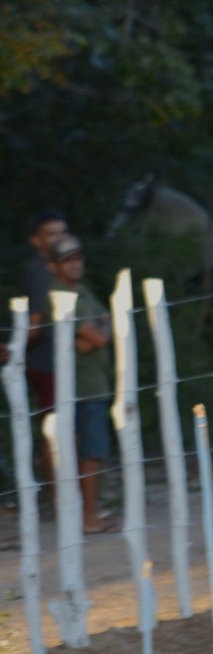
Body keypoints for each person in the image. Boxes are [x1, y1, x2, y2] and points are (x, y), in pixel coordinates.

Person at [47, 234, 117, 534]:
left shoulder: (82, 291)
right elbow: (101, 334)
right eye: (67, 260)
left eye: (78, 258)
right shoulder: (59, 296)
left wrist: (98, 332)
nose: (75, 264)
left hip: (95, 382)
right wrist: (100, 333)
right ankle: (87, 517)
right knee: (88, 453)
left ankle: (87, 512)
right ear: (53, 266)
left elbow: (105, 321)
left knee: (90, 451)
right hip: (81, 388)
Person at [20, 209, 69, 494]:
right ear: (36, 241)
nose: (58, 239)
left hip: (58, 360)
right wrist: (16, 351)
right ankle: (59, 496)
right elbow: (34, 324)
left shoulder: (59, 267)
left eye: (62, 232)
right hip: (46, 362)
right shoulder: (40, 272)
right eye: (51, 234)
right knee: (55, 430)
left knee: (63, 429)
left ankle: (64, 495)